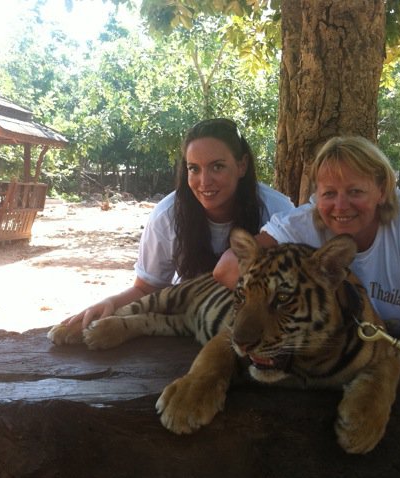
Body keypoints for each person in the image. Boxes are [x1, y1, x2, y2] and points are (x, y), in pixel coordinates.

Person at [214, 135, 400, 368]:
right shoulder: (299, 226)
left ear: (382, 190)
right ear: (316, 194)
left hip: (390, 358)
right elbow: (226, 268)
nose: (341, 206)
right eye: (329, 193)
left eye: (355, 192)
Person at [58, 118, 294, 331]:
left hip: (260, 326)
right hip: (185, 322)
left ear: (242, 165)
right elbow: (147, 288)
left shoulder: (278, 212)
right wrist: (108, 303)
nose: (204, 181)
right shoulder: (166, 215)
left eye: (217, 166)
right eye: (194, 169)